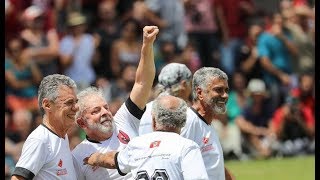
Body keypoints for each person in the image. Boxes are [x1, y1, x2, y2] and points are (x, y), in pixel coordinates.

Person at [71, 26, 159, 180]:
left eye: (105, 107)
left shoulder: (124, 120)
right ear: (82, 122)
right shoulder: (77, 157)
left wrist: (147, 45)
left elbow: (142, 83)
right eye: (95, 111)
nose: (105, 112)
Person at [139, 66, 234, 179]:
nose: (225, 95)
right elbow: (170, 163)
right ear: (199, 93)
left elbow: (212, 164)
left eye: (226, 90)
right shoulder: (188, 122)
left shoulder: (206, 122)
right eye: (218, 90)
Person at [84, 95, 209, 180]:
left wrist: (94, 158)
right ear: (183, 121)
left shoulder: (137, 144)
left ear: (154, 120)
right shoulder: (187, 147)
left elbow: (112, 160)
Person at [11, 74, 79, 179]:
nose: (76, 107)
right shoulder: (40, 140)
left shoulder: (62, 136)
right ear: (47, 105)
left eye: (76, 102)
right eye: (69, 102)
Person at [139, 62, 192, 135]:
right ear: (184, 84)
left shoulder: (144, 110)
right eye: (190, 84)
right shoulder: (184, 113)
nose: (191, 89)